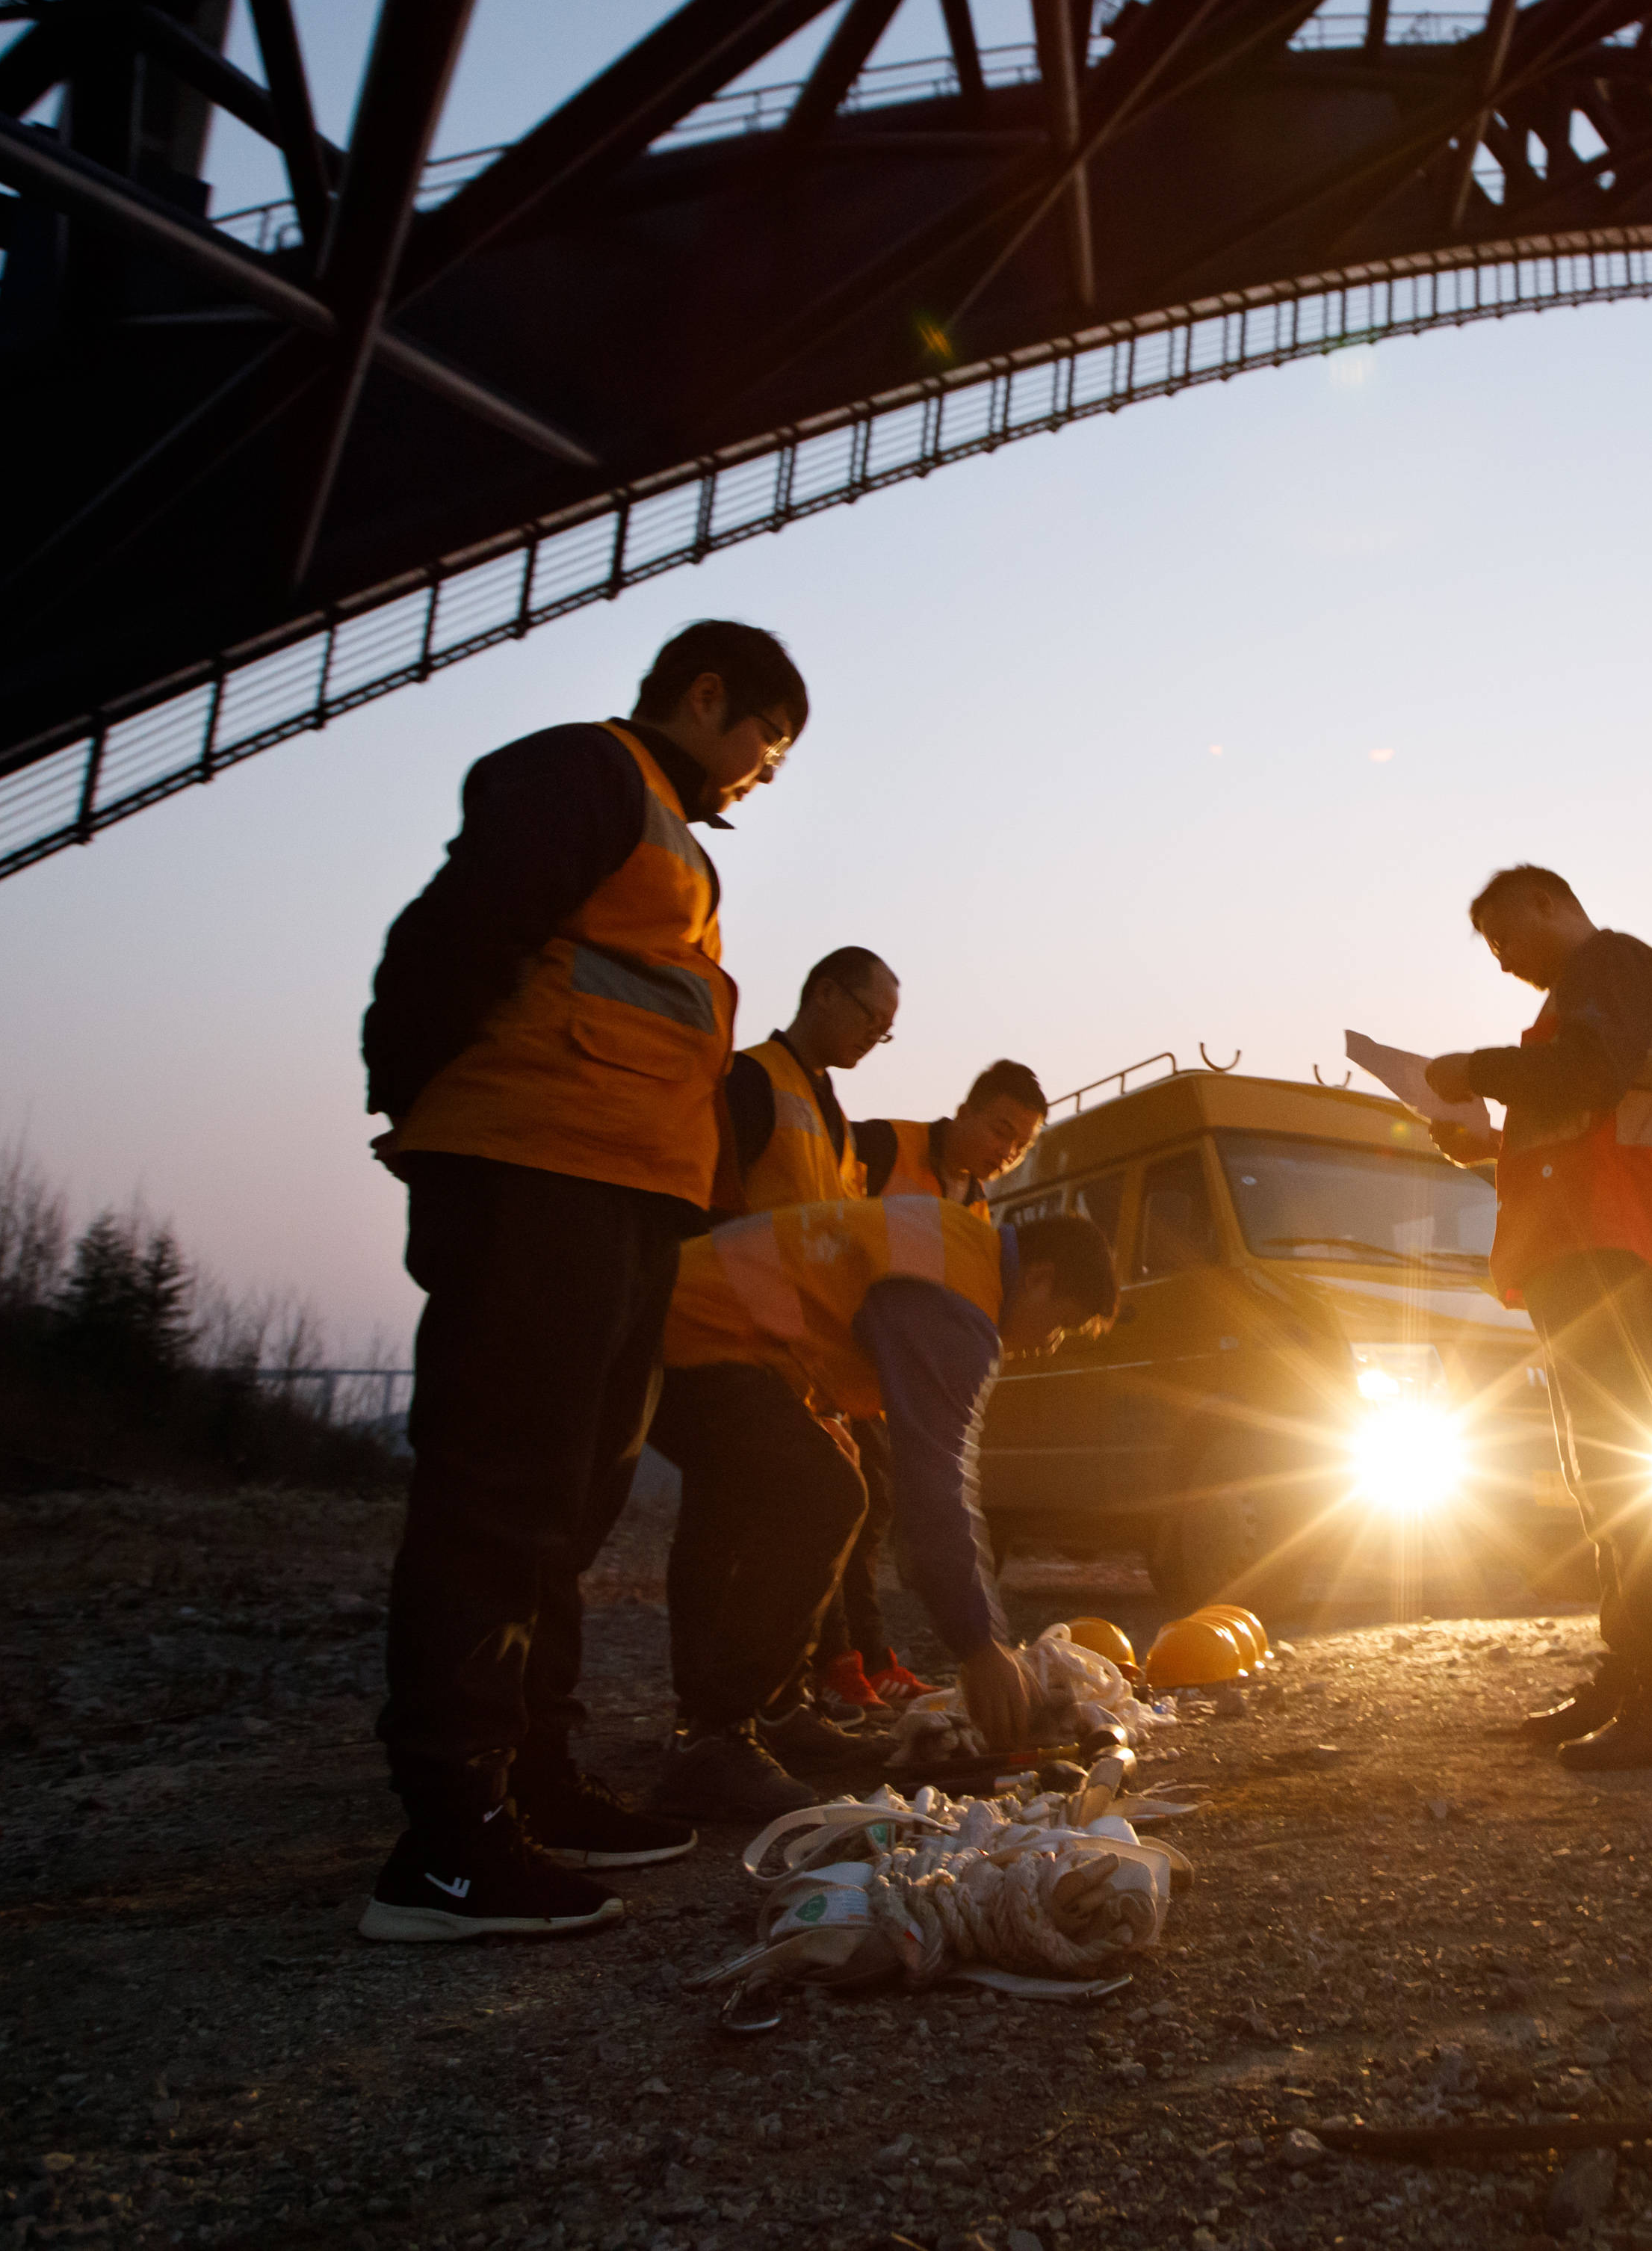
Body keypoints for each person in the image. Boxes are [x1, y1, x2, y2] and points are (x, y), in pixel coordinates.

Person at [354, 618, 806, 1944]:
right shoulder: (585, 773)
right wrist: (422, 1102)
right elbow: (450, 933)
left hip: (619, 1198)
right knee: (499, 1490)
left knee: (567, 1500)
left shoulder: (666, 827)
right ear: (707, 696)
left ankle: (531, 1780)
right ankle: (447, 1839)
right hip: (539, 1173)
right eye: (769, 741)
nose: (767, 773)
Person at [1423, 864, 1652, 1771]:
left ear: (1547, 901)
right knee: (1601, 1474)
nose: (1502, 960)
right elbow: (1577, 1116)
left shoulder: (1615, 964)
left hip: (1614, 1250)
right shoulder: (1579, 1002)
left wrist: (1473, 1071)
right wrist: (1486, 1140)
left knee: (1621, 1472)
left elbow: (1587, 1076)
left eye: (1505, 936)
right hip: (1586, 1248)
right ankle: (1639, 1677)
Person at [660, 1194, 1122, 1756]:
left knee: (786, 1486)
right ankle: (719, 1741)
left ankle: (771, 1712)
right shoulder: (960, 1304)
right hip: (698, 1333)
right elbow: (935, 1485)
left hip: (681, 1312)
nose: (1050, 1344)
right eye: (1063, 1325)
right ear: (1041, 1279)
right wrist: (979, 1645)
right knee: (825, 1495)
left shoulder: (957, 1244)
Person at [644, 946, 904, 1824]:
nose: (880, 1035)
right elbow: (709, 1205)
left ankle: (766, 1711)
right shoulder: (754, 1083)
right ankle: (713, 1729)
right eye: (871, 1016)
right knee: (795, 1501)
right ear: (823, 992)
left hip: (784, 1361)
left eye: (888, 1028)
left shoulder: (831, 1117)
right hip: (715, 1337)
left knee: (745, 1517)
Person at [815, 1060, 1056, 1714]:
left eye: (1020, 1145)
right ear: (967, 1110)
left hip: (885, 1373)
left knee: (872, 1508)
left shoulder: (977, 1204)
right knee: (836, 1505)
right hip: (826, 1345)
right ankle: (834, 1665)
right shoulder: (881, 1144)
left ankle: (868, 1659)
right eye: (1000, 1129)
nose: (1005, 1151)